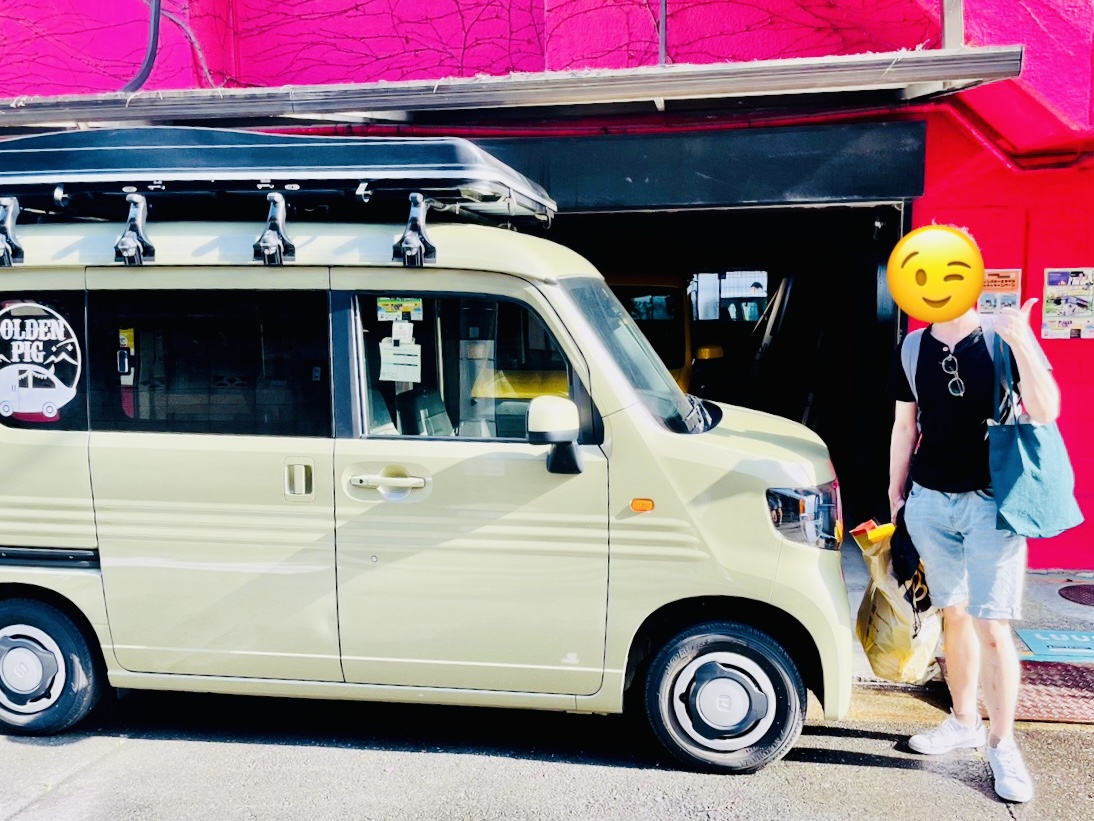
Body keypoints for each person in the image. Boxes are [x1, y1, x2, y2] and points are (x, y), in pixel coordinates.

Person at [888, 298, 1059, 804]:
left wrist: (1021, 340)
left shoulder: (1002, 336)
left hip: (991, 503)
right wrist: (896, 494)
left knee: (993, 627)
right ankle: (964, 721)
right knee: (955, 615)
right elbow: (905, 425)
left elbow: (1046, 410)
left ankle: (1003, 744)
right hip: (930, 502)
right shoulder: (912, 346)